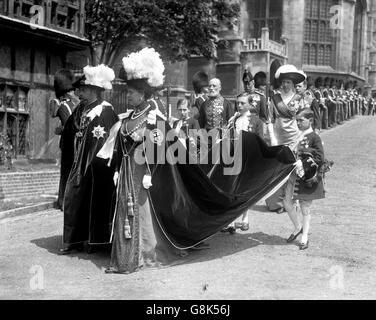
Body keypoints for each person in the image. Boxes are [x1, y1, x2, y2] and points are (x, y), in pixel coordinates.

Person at [60, 64, 118, 254]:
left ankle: (95, 241)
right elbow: (69, 129)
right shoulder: (80, 109)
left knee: (95, 201)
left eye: (83, 90)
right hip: (79, 164)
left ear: (94, 90)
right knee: (74, 198)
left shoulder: (106, 110)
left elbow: (108, 140)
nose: (79, 93)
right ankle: (74, 240)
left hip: (97, 167)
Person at [265, 64, 306, 214]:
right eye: (283, 82)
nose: (285, 84)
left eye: (288, 82)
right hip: (278, 138)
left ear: (293, 83)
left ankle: (291, 201)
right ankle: (275, 202)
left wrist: (302, 137)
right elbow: (270, 119)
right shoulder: (275, 99)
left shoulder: (299, 99)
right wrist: (273, 139)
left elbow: (304, 120)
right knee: (277, 170)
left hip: (294, 138)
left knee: (293, 170)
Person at [223, 92, 265, 233]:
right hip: (233, 157)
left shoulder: (256, 121)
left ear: (249, 104)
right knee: (232, 189)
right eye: (237, 103)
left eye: (242, 103)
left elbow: (260, 141)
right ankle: (231, 220)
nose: (239, 105)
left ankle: (245, 218)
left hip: (248, 158)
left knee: (245, 189)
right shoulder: (234, 120)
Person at [285, 108, 325, 250]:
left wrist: (304, 161)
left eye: (301, 120)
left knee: (304, 207)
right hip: (294, 175)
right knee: (287, 203)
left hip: (307, 176)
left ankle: (305, 237)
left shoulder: (314, 137)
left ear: (310, 121)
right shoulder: (298, 136)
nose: (298, 123)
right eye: (296, 120)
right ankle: (298, 227)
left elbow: (320, 157)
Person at [50, 69, 79, 210]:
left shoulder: (75, 104)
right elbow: (69, 124)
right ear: (66, 91)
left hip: (76, 142)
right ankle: (63, 201)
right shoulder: (63, 106)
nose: (74, 92)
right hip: (68, 143)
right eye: (72, 90)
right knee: (67, 171)